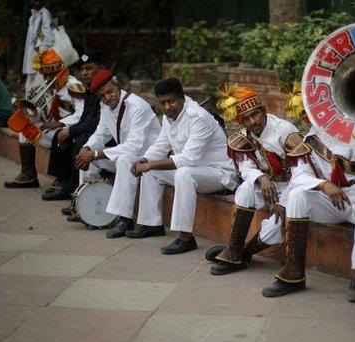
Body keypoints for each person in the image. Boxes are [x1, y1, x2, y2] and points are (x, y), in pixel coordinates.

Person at [260, 83, 355, 299]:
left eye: (310, 111)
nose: (307, 118)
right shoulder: (309, 141)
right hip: (331, 199)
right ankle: (294, 272)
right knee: (298, 195)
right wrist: (324, 185)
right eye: (303, 114)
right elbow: (300, 175)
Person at [126, 77, 237, 255]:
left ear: (182, 97)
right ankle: (151, 224)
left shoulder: (198, 117)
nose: (168, 107)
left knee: (183, 174)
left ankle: (186, 239)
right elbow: (161, 145)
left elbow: (188, 159)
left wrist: (151, 164)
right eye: (163, 103)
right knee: (152, 171)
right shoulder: (168, 117)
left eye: (171, 101)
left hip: (219, 174)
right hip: (196, 170)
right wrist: (145, 160)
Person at [207, 85, 299, 275]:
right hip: (267, 186)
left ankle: (243, 253)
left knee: (274, 230)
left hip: (292, 189)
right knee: (245, 189)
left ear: (264, 111)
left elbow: (302, 171)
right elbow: (246, 167)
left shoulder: (284, 130)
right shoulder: (244, 137)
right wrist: (261, 177)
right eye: (246, 119)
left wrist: (283, 201)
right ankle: (233, 250)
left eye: (255, 115)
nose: (253, 121)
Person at [75, 69, 161, 238]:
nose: (107, 98)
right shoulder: (105, 106)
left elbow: (134, 146)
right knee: (87, 158)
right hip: (127, 153)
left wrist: (96, 154)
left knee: (123, 160)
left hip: (148, 156)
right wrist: (86, 150)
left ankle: (124, 219)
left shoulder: (137, 106)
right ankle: (89, 208)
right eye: (102, 96)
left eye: (110, 91)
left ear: (118, 86)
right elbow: (101, 134)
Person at [5, 48, 84, 189]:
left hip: (71, 131)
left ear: (58, 71)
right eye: (45, 75)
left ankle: (61, 178)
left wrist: (61, 123)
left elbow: (82, 112)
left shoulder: (73, 85)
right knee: (24, 131)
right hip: (52, 129)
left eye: (50, 75)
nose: (47, 79)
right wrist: (30, 108)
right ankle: (28, 175)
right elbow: (39, 117)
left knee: (60, 136)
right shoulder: (44, 87)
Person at [45, 50, 105, 201]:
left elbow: (97, 121)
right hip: (93, 129)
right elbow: (85, 117)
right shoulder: (89, 88)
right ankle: (64, 184)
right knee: (60, 136)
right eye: (82, 69)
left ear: (101, 68)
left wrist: (72, 130)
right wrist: (68, 130)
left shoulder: (105, 88)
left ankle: (76, 191)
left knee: (80, 141)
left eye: (89, 68)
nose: (84, 73)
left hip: (106, 134)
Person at [23, 0, 54, 94]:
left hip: (40, 59)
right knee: (29, 88)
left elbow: (49, 38)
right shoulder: (33, 16)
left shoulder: (44, 15)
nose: (35, 2)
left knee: (38, 90)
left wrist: (39, 55)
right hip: (32, 59)